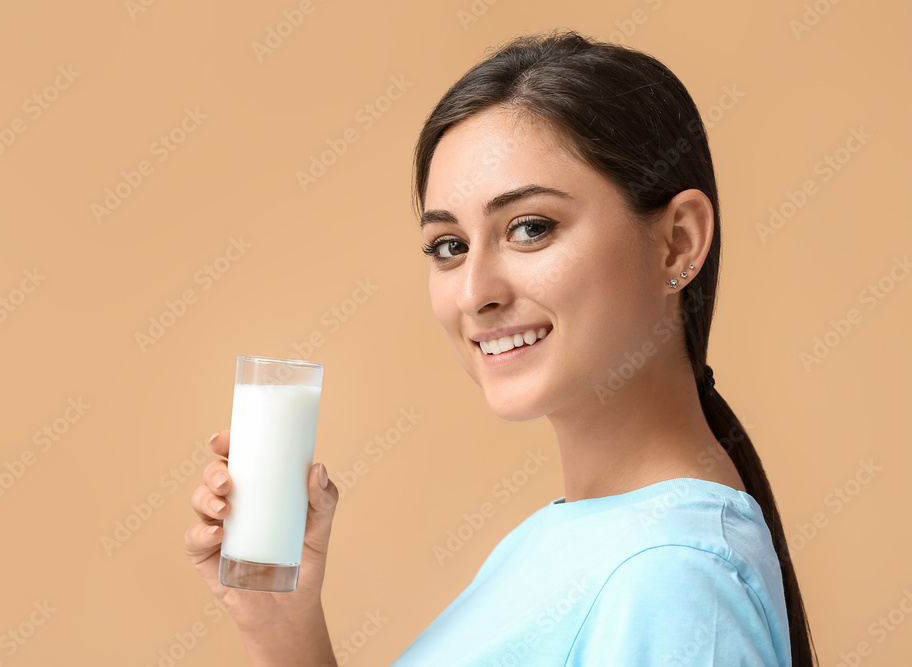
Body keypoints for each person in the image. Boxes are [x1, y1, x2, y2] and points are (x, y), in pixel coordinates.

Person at [184, 29, 820, 666]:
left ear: (678, 242)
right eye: (449, 247)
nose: (474, 292)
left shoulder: (673, 578)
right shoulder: (569, 541)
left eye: (530, 228)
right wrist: (279, 623)